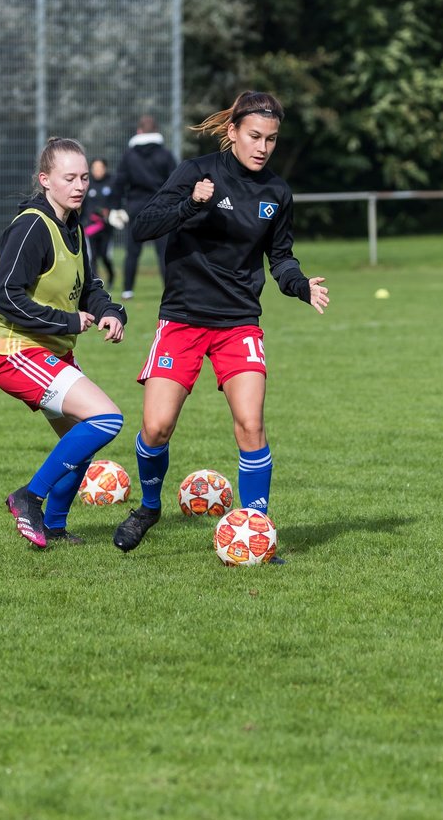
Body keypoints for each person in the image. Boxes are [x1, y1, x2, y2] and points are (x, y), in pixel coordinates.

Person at [112, 91, 330, 558]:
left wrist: (299, 285)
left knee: (250, 424)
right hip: (183, 319)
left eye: (271, 139)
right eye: (254, 136)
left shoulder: (277, 193)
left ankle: (257, 528)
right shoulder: (196, 173)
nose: (262, 147)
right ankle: (149, 508)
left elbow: (281, 258)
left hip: (238, 323)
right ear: (231, 132)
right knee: (156, 427)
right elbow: (143, 226)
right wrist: (191, 204)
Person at [0, 137, 128, 549]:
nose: (80, 185)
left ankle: (54, 527)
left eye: (84, 176)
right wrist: (68, 320)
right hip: (14, 351)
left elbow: (90, 287)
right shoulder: (32, 225)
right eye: (69, 178)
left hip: (49, 351)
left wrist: (110, 311)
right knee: (106, 419)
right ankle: (29, 496)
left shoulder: (73, 225)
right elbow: (4, 295)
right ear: (46, 180)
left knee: (84, 437)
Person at [108, 115, 176, 299]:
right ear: (156, 131)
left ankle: (127, 290)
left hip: (136, 208)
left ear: (139, 131)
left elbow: (119, 182)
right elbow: (175, 181)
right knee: (164, 252)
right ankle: (170, 291)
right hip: (161, 207)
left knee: (132, 251)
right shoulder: (165, 154)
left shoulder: (129, 156)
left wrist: (115, 207)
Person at [82, 157, 115, 286]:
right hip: (91, 227)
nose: (98, 171)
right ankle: (96, 282)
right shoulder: (86, 183)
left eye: (100, 168)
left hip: (106, 227)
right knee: (92, 256)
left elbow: (117, 201)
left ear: (105, 168)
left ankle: (111, 274)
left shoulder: (112, 182)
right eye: (95, 168)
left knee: (105, 255)